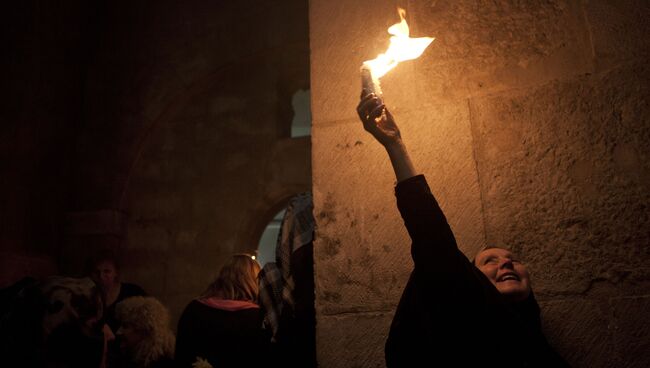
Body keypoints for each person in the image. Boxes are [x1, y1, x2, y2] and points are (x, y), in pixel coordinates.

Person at [356, 90, 569, 367]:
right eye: (489, 261)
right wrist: (395, 146)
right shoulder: (466, 318)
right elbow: (434, 241)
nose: (506, 262)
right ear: (471, 279)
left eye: (512, 259)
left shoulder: (541, 351)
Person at [175, 254, 272, 368]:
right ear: (254, 282)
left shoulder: (193, 310)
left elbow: (181, 357)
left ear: (221, 277)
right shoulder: (259, 319)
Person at [87, 250, 147, 334]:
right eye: (97, 272)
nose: (101, 276)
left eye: (107, 271)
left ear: (116, 273)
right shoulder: (87, 295)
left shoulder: (133, 292)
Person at [113, 296, 175, 368]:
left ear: (144, 331)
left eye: (125, 326)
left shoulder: (164, 364)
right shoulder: (125, 358)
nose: (118, 332)